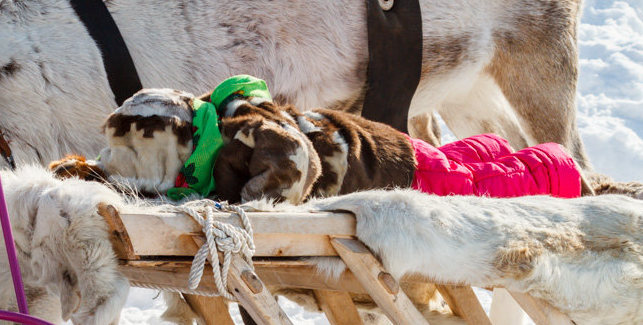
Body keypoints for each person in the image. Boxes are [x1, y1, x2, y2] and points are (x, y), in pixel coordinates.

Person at [52, 75, 581, 204]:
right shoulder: (195, 158)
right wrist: (91, 174)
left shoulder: (243, 138)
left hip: (387, 168)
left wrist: (253, 210)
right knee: (463, 163)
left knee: (477, 189)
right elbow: (130, 172)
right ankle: (493, 149)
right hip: (377, 147)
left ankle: (567, 174)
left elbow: (293, 159)